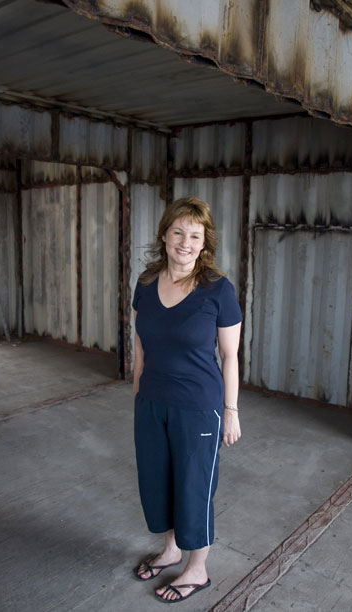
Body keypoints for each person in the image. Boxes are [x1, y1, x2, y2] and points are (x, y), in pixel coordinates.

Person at [131, 196, 243, 603]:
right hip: (153, 402)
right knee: (158, 481)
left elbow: (230, 356)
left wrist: (230, 412)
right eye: (178, 231)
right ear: (164, 235)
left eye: (195, 235)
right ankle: (171, 549)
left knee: (194, 486)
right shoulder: (145, 284)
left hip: (199, 405)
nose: (185, 241)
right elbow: (141, 350)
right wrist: (137, 399)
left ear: (204, 242)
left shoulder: (218, 290)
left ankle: (197, 569)